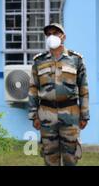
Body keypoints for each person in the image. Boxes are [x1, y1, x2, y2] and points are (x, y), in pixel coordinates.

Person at [28, 23, 89, 166]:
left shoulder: (76, 59)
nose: (52, 36)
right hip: (46, 114)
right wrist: (33, 115)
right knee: (50, 156)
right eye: (48, 34)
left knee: (70, 157)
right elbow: (33, 89)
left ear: (64, 36)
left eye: (55, 33)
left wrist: (84, 115)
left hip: (70, 113)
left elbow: (83, 89)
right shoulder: (39, 61)